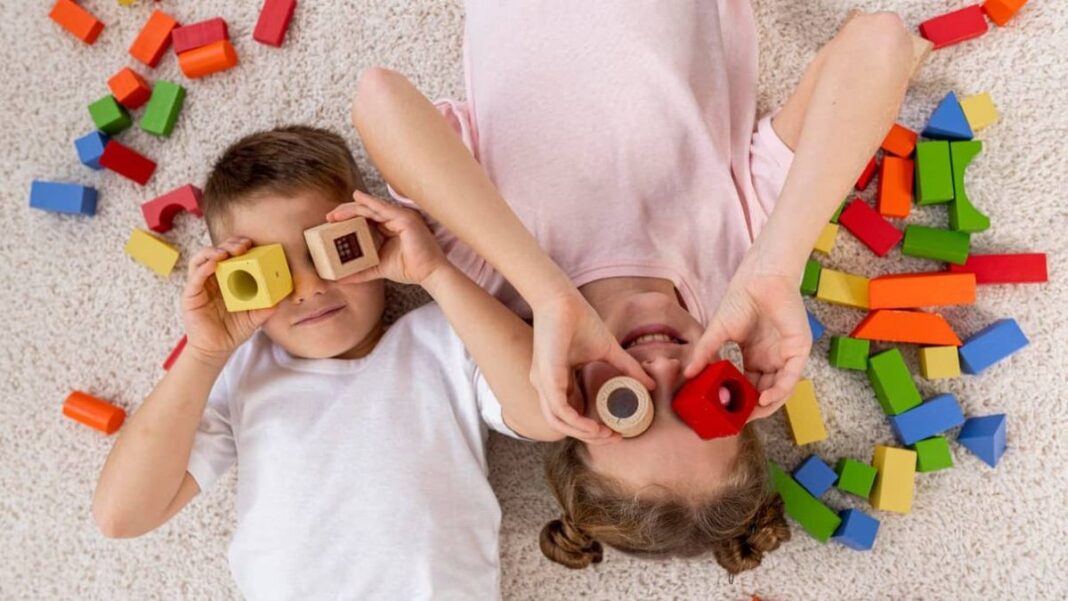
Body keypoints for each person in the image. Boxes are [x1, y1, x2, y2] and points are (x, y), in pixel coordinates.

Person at [341, 2, 915, 574]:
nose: (663, 367)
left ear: (566, 402)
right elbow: (879, 42)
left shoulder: (494, 264)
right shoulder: (742, 254)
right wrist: (777, 268)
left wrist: (548, 292)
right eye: (700, 401)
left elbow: (379, 98)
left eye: (626, 405)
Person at [92, 126, 560, 599]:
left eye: (331, 250)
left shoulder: (444, 338)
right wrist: (203, 354)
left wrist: (435, 272)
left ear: (374, 237)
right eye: (271, 272)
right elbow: (121, 516)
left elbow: (549, 413)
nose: (309, 288)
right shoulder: (244, 371)